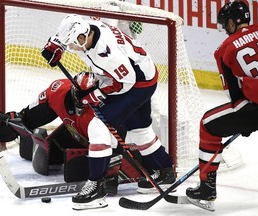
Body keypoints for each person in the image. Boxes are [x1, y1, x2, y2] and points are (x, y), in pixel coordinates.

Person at [41, 14, 176, 200]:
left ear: (82, 38)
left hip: (136, 84)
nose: (69, 48)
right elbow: (68, 32)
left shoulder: (107, 54)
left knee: (98, 127)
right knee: (139, 130)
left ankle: (97, 185)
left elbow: (124, 83)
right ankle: (165, 172)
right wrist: (56, 45)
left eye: (71, 44)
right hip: (143, 73)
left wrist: (93, 95)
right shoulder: (87, 27)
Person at [0, 76, 120, 210]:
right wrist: (12, 122)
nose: (85, 103)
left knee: (76, 170)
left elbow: (113, 143)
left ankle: (98, 182)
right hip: (75, 133)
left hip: (98, 145)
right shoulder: (57, 90)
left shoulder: (102, 112)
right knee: (48, 155)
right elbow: (31, 114)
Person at [185, 0, 258, 211]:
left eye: (225, 25)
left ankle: (206, 190)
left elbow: (235, 96)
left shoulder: (224, 49)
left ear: (231, 22)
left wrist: (245, 123)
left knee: (208, 125)